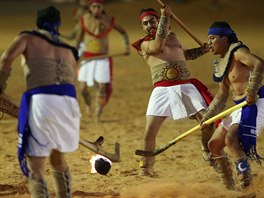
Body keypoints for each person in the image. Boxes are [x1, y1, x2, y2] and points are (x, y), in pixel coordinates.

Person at [0, 6, 81, 197]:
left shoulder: (27, 38)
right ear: (58, 25)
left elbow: (6, 59)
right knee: (58, 159)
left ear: (37, 23)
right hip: (69, 103)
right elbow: (73, 80)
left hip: (43, 100)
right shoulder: (68, 50)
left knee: (36, 168)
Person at [131, 6, 215, 177]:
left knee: (208, 122)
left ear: (157, 20)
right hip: (162, 89)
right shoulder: (144, 44)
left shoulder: (173, 36)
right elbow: (158, 46)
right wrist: (164, 18)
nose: (149, 25)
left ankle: (207, 149)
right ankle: (145, 167)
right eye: (145, 23)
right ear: (142, 27)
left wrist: (201, 51)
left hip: (185, 84)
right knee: (150, 131)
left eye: (152, 21)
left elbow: (184, 55)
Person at [201, 21, 264, 190]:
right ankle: (228, 186)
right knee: (214, 145)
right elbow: (222, 94)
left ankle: (246, 180)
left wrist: (251, 90)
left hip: (256, 102)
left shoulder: (238, 52)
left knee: (231, 138)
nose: (209, 43)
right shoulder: (221, 63)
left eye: (212, 38)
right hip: (239, 106)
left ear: (224, 39)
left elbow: (259, 63)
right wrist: (208, 116)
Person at [76, 0, 130, 122]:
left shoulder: (109, 19)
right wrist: (75, 54)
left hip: (103, 58)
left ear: (102, 7)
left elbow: (123, 32)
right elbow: (78, 40)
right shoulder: (84, 19)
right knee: (83, 88)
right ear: (90, 8)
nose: (96, 9)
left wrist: (126, 46)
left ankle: (97, 115)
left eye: (99, 6)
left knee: (102, 87)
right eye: (94, 6)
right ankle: (89, 105)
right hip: (87, 57)